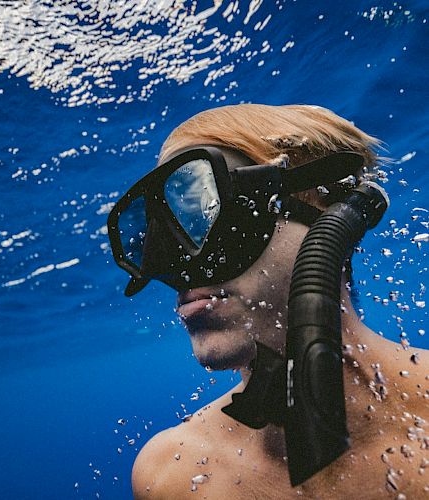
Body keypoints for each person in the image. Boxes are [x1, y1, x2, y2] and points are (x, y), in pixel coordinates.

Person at [109, 104, 428, 498]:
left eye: (206, 216)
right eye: (155, 236)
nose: (179, 268)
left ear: (333, 214)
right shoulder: (172, 476)